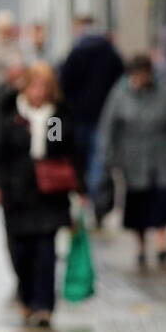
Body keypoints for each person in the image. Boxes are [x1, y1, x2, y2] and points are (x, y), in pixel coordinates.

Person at [0, 62, 80, 328]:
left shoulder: (57, 116)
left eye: (45, 87)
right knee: (21, 250)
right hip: (16, 192)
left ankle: (44, 306)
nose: (39, 92)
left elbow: (64, 151)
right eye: (35, 86)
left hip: (48, 191)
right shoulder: (11, 113)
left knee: (46, 249)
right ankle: (26, 298)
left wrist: (80, 189)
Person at [99, 53, 166, 268]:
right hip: (133, 157)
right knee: (137, 200)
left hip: (164, 153)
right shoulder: (119, 94)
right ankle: (140, 245)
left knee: (163, 196)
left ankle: (162, 241)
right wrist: (110, 157)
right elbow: (109, 127)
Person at [58, 16, 124, 213]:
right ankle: (97, 201)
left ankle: (85, 197)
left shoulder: (74, 54)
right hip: (103, 116)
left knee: (81, 158)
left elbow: (64, 85)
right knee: (99, 159)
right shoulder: (111, 54)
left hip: (78, 117)